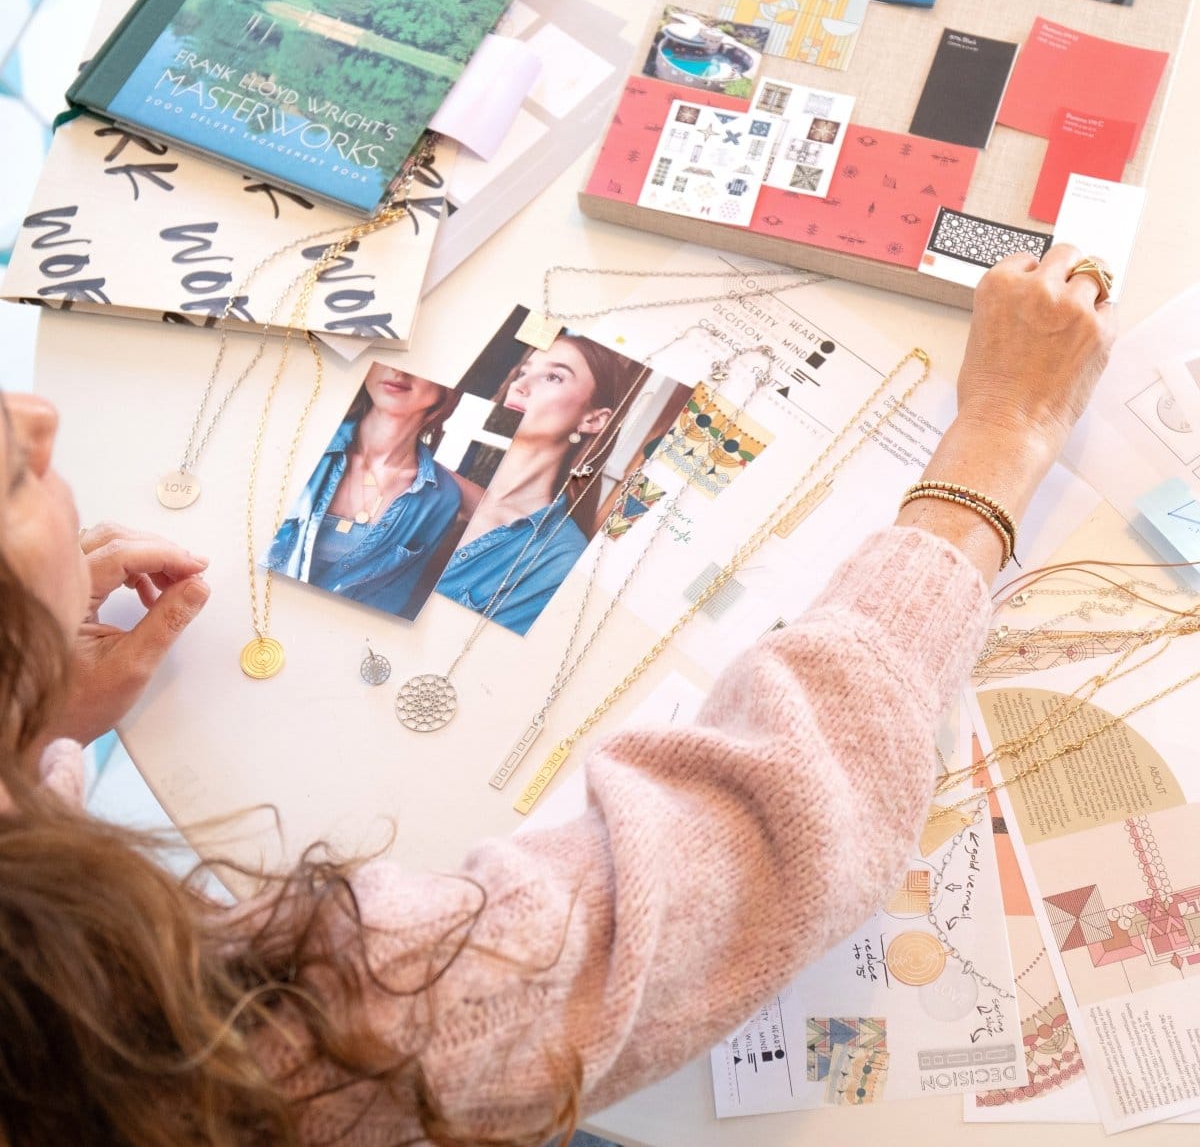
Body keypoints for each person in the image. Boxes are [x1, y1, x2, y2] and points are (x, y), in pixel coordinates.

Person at [0, 246, 1114, 1145]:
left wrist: (34, 720)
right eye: (9, 477)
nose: (35, 419)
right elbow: (744, 862)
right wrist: (997, 444)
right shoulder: (184, 1043)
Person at [435, 332, 644, 634]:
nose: (520, 386)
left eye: (553, 377)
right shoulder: (425, 478)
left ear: (593, 420)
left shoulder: (560, 560)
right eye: (524, 371)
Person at [267, 364, 465, 616]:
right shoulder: (306, 435)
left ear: (449, 390)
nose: (400, 372)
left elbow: (390, 600)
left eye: (423, 365)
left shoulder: (442, 497)